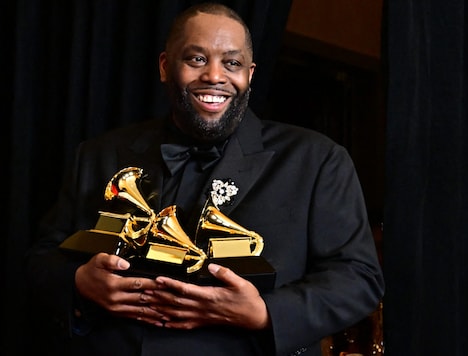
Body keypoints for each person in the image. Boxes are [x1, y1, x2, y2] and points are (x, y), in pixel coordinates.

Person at [24, 2, 385, 356]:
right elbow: (42, 259)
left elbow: (359, 278)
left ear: (250, 74)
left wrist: (266, 313)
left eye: (232, 63)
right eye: (197, 59)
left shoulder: (317, 159)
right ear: (166, 67)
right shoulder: (99, 153)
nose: (215, 75)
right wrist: (79, 283)